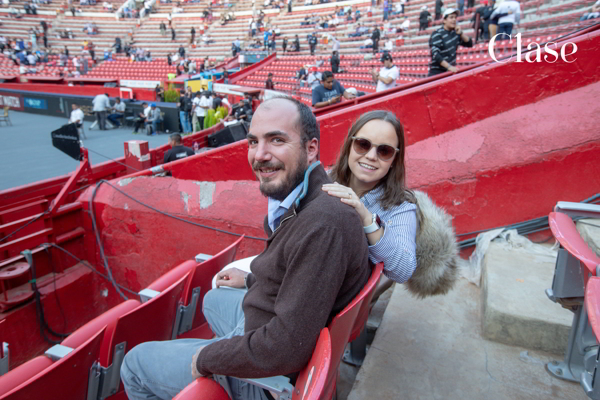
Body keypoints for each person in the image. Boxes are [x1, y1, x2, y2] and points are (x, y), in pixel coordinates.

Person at [120, 96, 371, 400]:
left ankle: (218, 379)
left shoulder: (323, 223)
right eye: (253, 142)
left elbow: (285, 348)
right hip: (268, 328)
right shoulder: (310, 199)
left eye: (276, 140)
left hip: (269, 376)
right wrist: (252, 280)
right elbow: (302, 279)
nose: (260, 155)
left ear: (311, 148)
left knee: (133, 363)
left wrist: (207, 358)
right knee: (213, 299)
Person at [323, 109, 418, 301]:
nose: (371, 156)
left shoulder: (401, 207)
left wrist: (366, 218)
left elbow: (404, 270)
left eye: (384, 151)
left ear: (394, 160)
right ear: (350, 145)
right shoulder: (324, 180)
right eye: (363, 144)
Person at [428, 8, 473, 76]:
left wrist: (461, 33)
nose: (454, 19)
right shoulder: (437, 33)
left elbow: (470, 44)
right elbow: (435, 54)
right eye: (451, 17)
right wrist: (449, 67)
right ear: (444, 20)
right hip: (436, 73)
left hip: (449, 73)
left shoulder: (455, 34)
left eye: (455, 17)